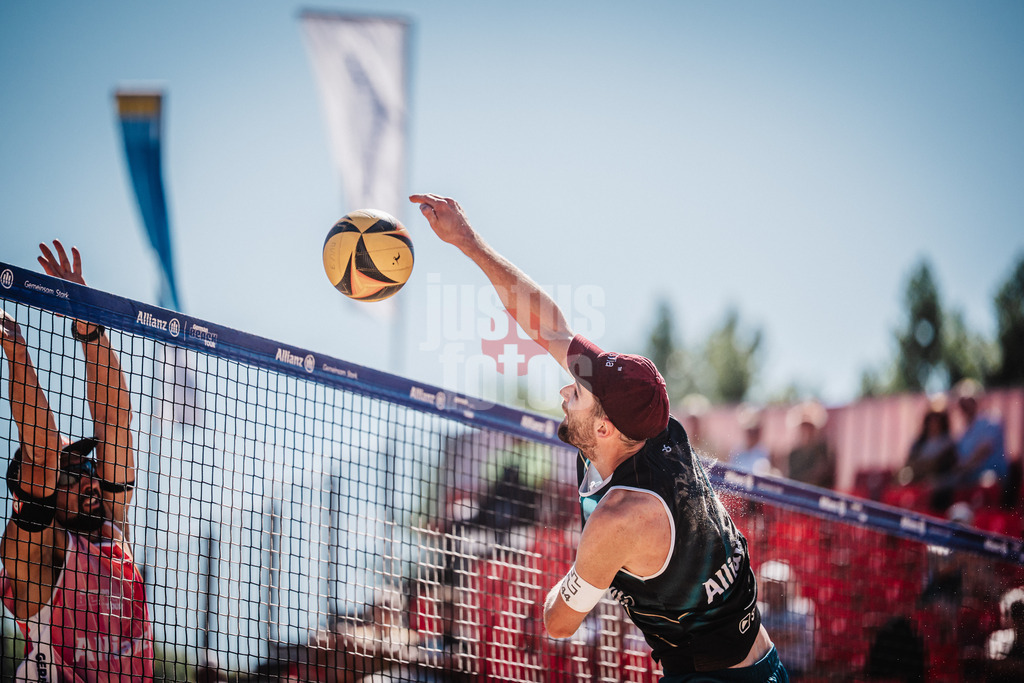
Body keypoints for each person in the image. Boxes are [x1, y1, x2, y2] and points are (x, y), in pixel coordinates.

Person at [410, 194, 786, 682]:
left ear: (606, 427)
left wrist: (573, 573)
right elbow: (549, 326)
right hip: (754, 659)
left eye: (579, 391)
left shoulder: (622, 515)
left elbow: (558, 622)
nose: (565, 387)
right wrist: (467, 241)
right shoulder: (651, 423)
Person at [0, 241, 153, 681]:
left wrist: (88, 321)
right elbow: (43, 453)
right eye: (73, 473)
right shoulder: (32, 553)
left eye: (86, 467)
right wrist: (17, 352)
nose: (88, 478)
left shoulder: (111, 531)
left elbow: (114, 423)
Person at [756, 561, 814, 679]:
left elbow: (793, 638)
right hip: (764, 669)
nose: (772, 592)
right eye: (768, 586)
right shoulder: (757, 611)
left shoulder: (802, 610)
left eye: (776, 587)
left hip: (793, 670)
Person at [952, 379, 1008, 488]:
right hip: (969, 480)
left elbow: (984, 450)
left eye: (969, 401)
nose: (965, 405)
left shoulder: (991, 421)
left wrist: (962, 468)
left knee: (987, 480)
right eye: (962, 402)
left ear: (978, 400)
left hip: (991, 480)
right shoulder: (963, 433)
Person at [783, 402, 834, 489]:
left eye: (809, 426)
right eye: (804, 426)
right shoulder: (793, 454)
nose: (806, 430)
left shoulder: (824, 451)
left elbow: (821, 477)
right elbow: (790, 478)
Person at [730, 407, 772, 476]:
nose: (752, 434)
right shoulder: (736, 452)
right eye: (749, 431)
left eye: (755, 431)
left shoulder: (765, 453)